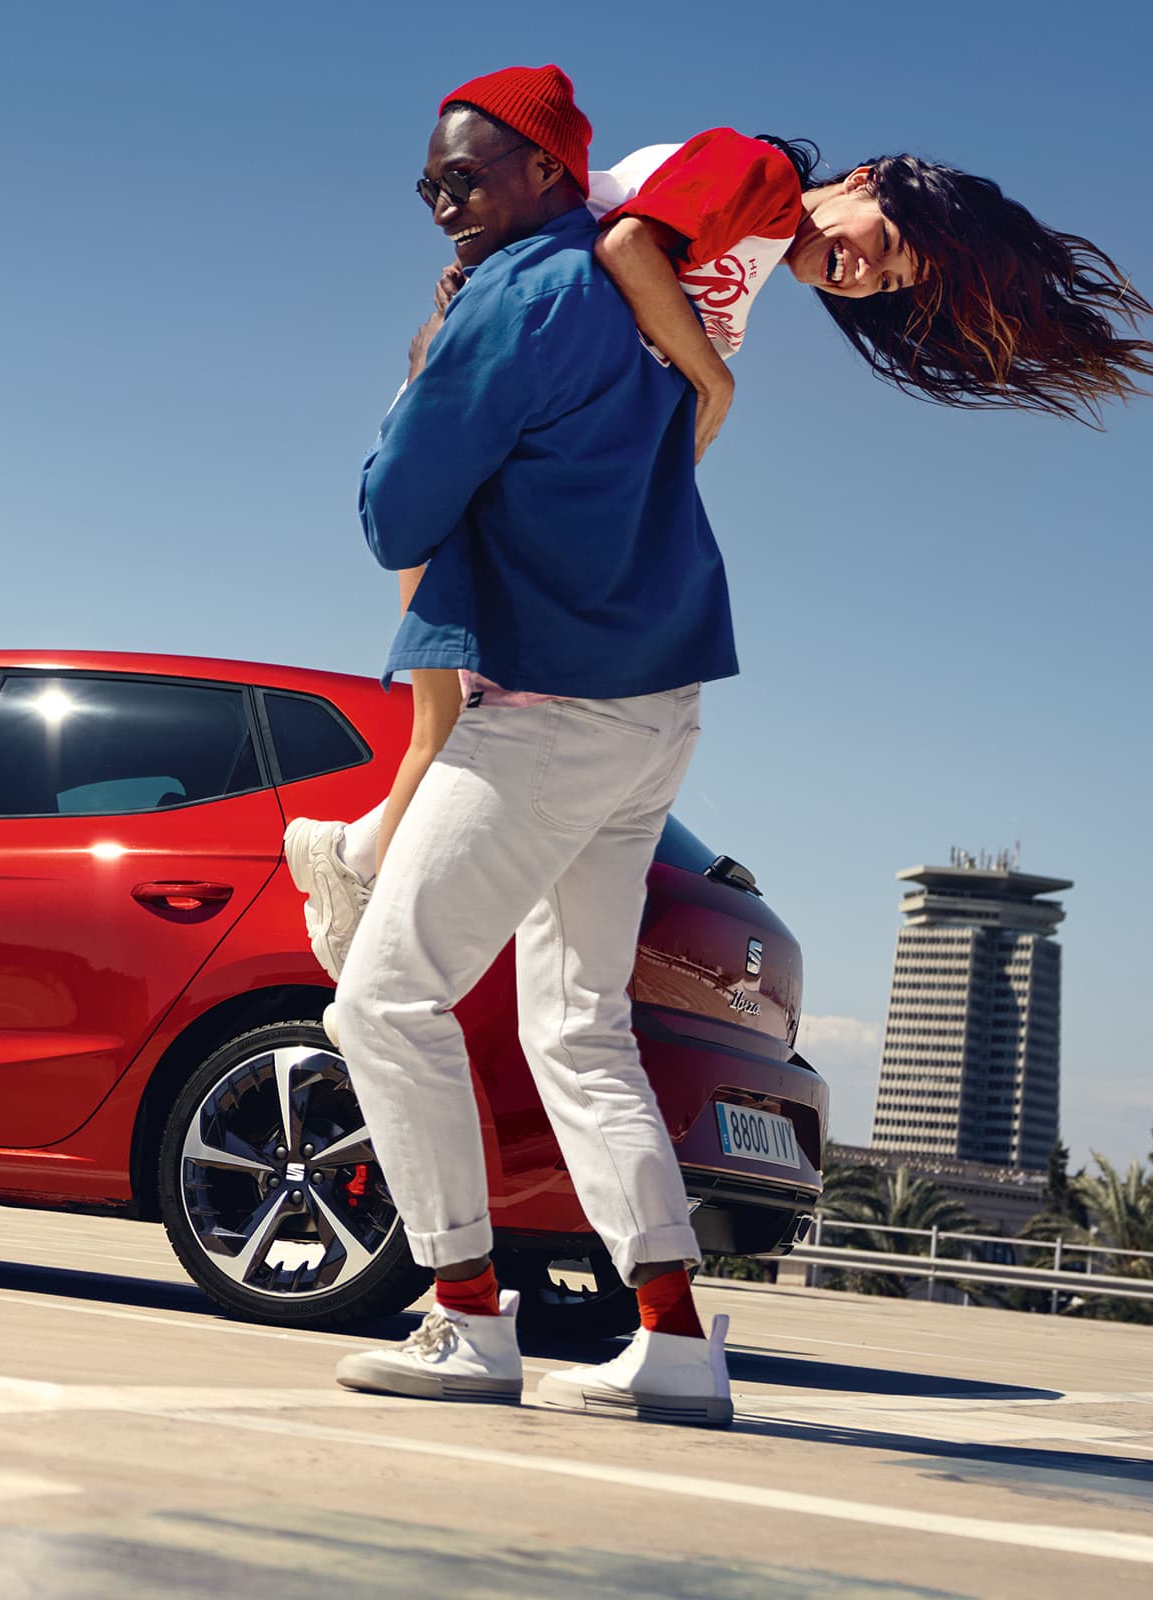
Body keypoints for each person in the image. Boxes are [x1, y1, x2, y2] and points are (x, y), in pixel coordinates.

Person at [282, 102, 1153, 983]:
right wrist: (713, 375)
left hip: (510, 466)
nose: (865, 274)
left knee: (443, 722)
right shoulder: (757, 174)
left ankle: (352, 884)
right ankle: (359, 920)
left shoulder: (756, 254)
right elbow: (624, 247)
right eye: (885, 242)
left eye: (888, 284)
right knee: (444, 723)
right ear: (862, 181)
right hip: (470, 440)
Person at [317, 66, 741, 1423]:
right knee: (578, 1024)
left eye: (470, 176)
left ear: (554, 173)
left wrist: (424, 364)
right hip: (658, 706)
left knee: (382, 997)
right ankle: (671, 1339)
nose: (445, 204)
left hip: (548, 713)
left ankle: (460, 1315)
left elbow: (394, 514)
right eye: (432, 185)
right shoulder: (629, 289)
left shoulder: (515, 296)